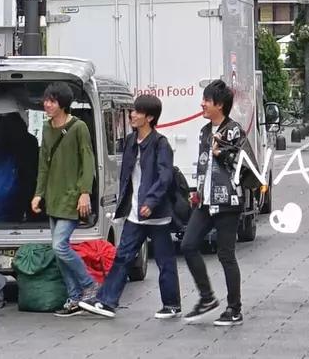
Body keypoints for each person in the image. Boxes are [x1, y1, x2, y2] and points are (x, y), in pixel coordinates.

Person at [83, 94, 181, 319]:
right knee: (123, 256)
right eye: (133, 111)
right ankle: (107, 302)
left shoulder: (160, 143)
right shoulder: (130, 141)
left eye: (137, 112)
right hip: (135, 213)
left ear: (150, 117)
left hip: (156, 215)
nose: (132, 115)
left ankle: (172, 304)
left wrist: (151, 201)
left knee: (165, 260)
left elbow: (165, 176)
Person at [180, 79, 249, 326]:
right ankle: (207, 296)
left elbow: (242, 164)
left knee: (225, 254)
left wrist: (223, 153)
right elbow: (203, 164)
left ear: (219, 105)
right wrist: (197, 190)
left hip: (229, 201)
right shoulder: (204, 131)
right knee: (188, 244)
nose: (202, 104)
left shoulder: (234, 130)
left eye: (206, 101)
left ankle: (234, 308)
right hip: (206, 200)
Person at [30, 81, 101, 316]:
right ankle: (74, 298)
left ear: (63, 104)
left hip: (72, 197)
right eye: (46, 100)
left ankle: (89, 285)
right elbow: (43, 164)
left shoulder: (79, 127)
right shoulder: (47, 127)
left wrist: (84, 192)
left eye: (51, 101)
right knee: (61, 250)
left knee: (59, 246)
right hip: (53, 196)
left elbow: (88, 160)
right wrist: (38, 194)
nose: (46, 104)